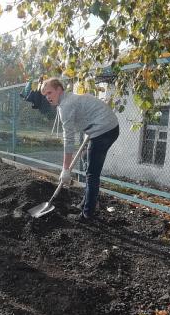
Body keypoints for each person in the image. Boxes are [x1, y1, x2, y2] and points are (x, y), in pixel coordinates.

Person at [41, 78, 119, 221]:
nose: (48, 97)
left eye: (50, 93)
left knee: (92, 174)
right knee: (85, 158)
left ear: (59, 90)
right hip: (103, 127)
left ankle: (87, 214)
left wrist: (65, 169)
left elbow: (69, 140)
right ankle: (89, 200)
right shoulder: (66, 100)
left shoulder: (66, 105)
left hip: (104, 130)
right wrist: (90, 128)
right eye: (45, 95)